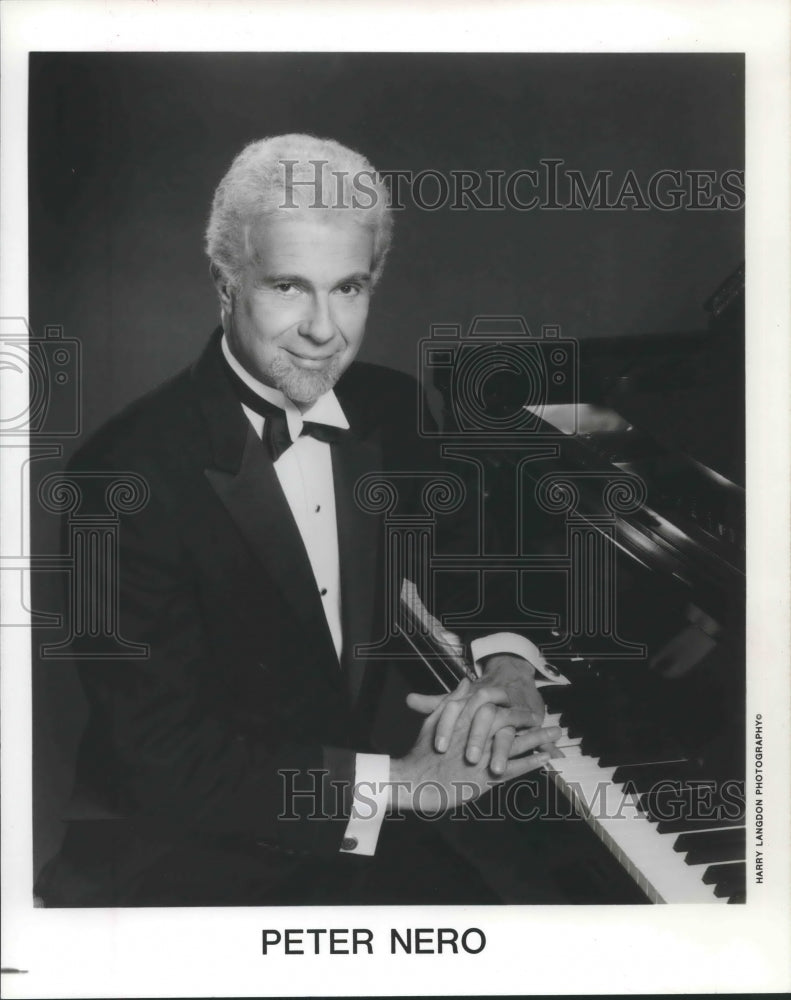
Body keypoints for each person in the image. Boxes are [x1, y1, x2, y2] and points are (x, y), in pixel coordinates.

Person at [36, 134, 561, 907]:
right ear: (225, 281)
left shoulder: (395, 408)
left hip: (348, 823)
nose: (323, 329)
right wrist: (403, 784)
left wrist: (507, 664)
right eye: (288, 286)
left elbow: (474, 560)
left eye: (348, 288)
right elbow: (161, 754)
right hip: (181, 847)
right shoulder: (119, 477)